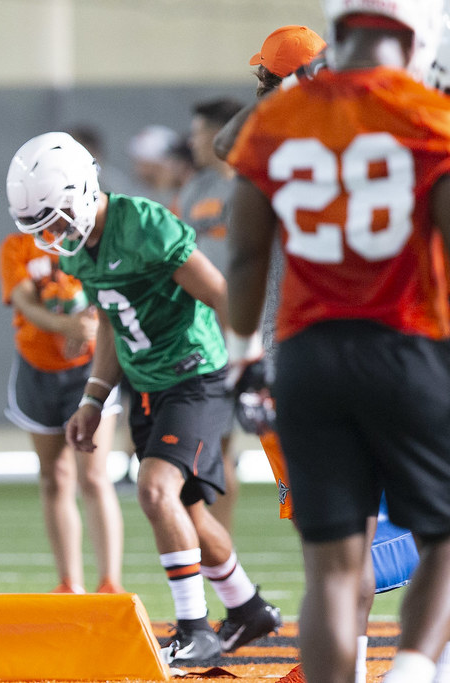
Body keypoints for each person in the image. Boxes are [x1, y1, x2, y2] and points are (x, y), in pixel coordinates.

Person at [226, 1, 450, 680]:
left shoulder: (280, 121)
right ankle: (412, 669)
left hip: (306, 355)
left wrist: (243, 360)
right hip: (407, 345)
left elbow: (243, 255)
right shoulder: (428, 118)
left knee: (330, 561)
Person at [6, 131, 280, 663]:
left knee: (155, 490)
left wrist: (247, 366)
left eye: (56, 218)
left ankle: (194, 627)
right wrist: (93, 396)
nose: (53, 235)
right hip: (148, 384)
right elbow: (110, 317)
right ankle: (248, 608)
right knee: (188, 514)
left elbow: (220, 293)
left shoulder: (145, 227)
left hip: (194, 373)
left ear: (83, 191)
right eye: (42, 226)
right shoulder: (81, 250)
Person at [0, 229, 125, 595]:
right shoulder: (17, 245)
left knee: (95, 475)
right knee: (54, 475)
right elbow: (26, 303)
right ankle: (70, 581)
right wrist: (70, 326)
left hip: (91, 368)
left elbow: (109, 295)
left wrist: (89, 328)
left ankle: (109, 582)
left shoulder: (93, 236)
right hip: (38, 366)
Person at [173, 97, 245, 532]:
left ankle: (221, 548)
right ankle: (208, 549)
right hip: (193, 334)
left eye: (200, 131)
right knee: (197, 451)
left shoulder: (251, 186)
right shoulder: (195, 190)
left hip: (233, 334)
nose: (193, 141)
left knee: (220, 448)